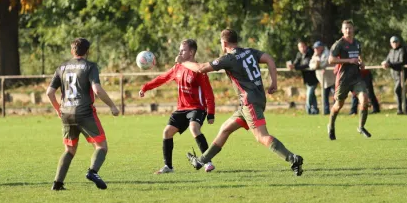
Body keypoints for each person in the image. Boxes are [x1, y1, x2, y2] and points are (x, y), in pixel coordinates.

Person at [176, 29, 304, 176]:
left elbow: (201, 68)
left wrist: (183, 62)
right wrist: (274, 82)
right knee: (225, 129)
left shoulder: (229, 58)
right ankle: (201, 161)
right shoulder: (249, 52)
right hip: (255, 100)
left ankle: (292, 158)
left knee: (261, 136)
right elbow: (268, 58)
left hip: (249, 102)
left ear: (224, 43)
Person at [46, 38, 120, 191]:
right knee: (101, 146)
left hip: (66, 113)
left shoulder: (62, 67)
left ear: (72, 51)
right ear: (87, 51)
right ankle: (92, 172)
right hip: (85, 112)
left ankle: (57, 184)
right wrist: (112, 106)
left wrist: (57, 109)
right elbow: (97, 90)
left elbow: (50, 92)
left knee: (69, 150)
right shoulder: (90, 66)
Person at [139, 39, 216, 174]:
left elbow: (208, 92)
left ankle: (208, 162)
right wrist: (145, 87)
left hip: (197, 108)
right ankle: (168, 167)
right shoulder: (177, 68)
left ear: (191, 52)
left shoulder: (199, 70)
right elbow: (162, 78)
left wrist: (211, 113)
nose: (180, 52)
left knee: (194, 128)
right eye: (179, 50)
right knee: (167, 132)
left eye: (183, 50)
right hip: (182, 109)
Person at [327, 20, 371, 140]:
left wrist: (362, 63)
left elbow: (359, 56)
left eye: (350, 28)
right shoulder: (339, 44)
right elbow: (331, 60)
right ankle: (330, 126)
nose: (348, 30)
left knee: (365, 99)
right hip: (343, 79)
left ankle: (361, 127)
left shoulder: (357, 43)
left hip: (356, 78)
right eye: (345, 28)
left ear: (353, 29)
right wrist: (348, 61)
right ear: (342, 30)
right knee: (338, 105)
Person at [288, 41, 319, 114]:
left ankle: (308, 110)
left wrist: (295, 67)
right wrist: (292, 65)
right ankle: (315, 110)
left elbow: (307, 64)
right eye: (299, 47)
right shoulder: (299, 54)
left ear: (306, 46)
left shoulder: (310, 53)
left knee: (309, 94)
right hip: (306, 78)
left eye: (302, 46)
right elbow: (296, 62)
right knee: (312, 95)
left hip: (314, 77)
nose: (301, 48)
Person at [381, 35, 407, 115]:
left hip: (402, 74)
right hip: (395, 75)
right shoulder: (391, 51)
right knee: (401, 91)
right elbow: (387, 60)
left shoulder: (402, 50)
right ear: (390, 43)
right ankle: (406, 109)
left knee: (397, 90)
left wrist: (389, 64)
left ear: (399, 42)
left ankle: (399, 109)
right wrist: (384, 63)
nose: (394, 43)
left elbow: (401, 62)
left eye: (396, 42)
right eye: (393, 42)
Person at [309, 41, 335, 115]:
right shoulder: (315, 55)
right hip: (323, 80)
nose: (315, 50)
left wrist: (317, 64)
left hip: (332, 78)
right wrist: (316, 64)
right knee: (324, 96)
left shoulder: (327, 53)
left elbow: (323, 64)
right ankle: (326, 111)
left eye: (317, 48)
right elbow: (311, 65)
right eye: (315, 48)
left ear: (321, 47)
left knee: (335, 95)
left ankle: (335, 110)